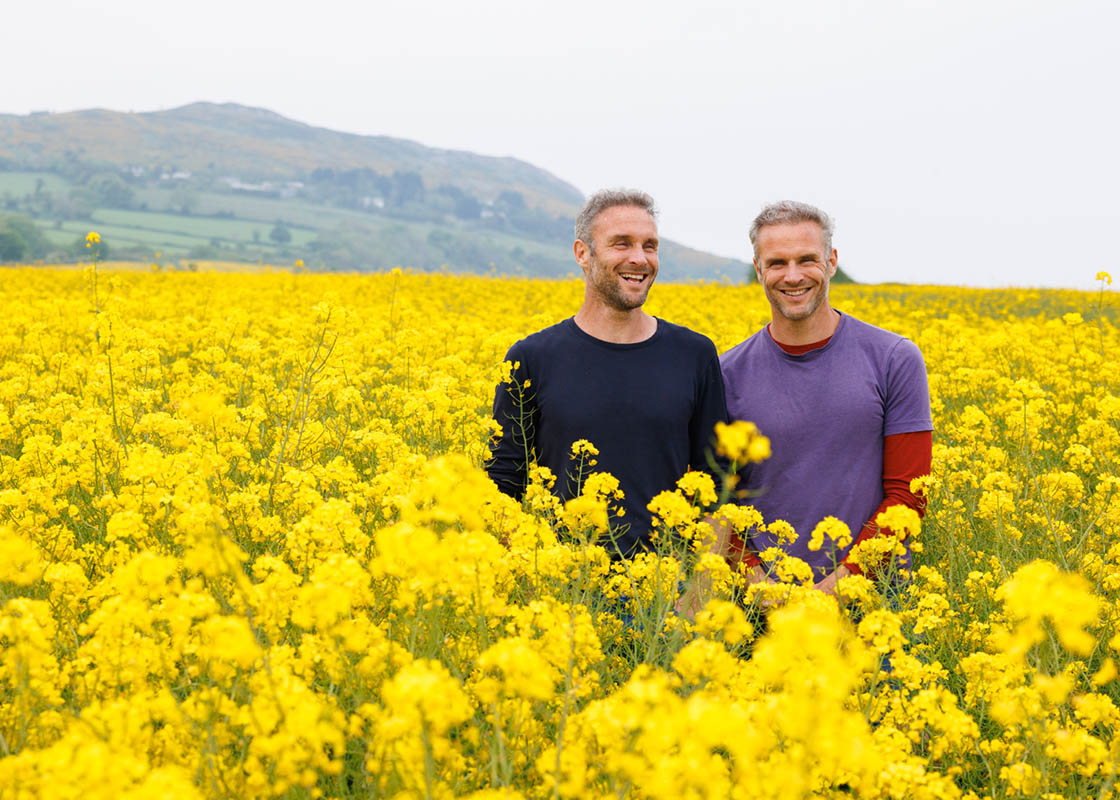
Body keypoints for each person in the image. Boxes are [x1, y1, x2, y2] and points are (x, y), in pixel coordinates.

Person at [486, 189, 728, 558]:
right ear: (583, 254)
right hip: (565, 593)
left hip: (665, 597)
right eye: (621, 244)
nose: (639, 259)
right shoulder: (530, 359)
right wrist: (531, 582)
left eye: (650, 246)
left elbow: (717, 480)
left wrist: (697, 593)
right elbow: (502, 485)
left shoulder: (694, 354)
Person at [719, 200, 932, 594]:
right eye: (777, 262)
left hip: (872, 607)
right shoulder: (724, 373)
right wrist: (764, 589)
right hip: (761, 613)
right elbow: (720, 505)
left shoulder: (894, 358)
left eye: (807, 259)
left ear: (832, 261)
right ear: (758, 268)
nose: (793, 275)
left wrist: (834, 590)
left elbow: (909, 493)